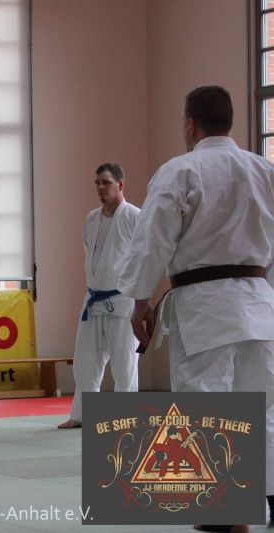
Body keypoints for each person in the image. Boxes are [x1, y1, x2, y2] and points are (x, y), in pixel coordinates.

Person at [119, 85, 274, 533]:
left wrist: (141, 301)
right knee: (264, 409)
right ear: (229, 121)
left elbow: (153, 241)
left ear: (191, 125)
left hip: (206, 307)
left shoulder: (181, 171)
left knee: (208, 405)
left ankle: (225, 512)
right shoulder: (264, 170)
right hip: (259, 303)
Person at [58, 163, 140, 429]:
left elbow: (143, 259)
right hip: (93, 300)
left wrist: (142, 298)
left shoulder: (134, 217)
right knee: (85, 362)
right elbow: (91, 259)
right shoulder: (92, 219)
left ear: (120, 184)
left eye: (106, 182)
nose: (100, 187)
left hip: (122, 301)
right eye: (97, 183)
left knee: (124, 364)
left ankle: (127, 418)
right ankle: (82, 415)